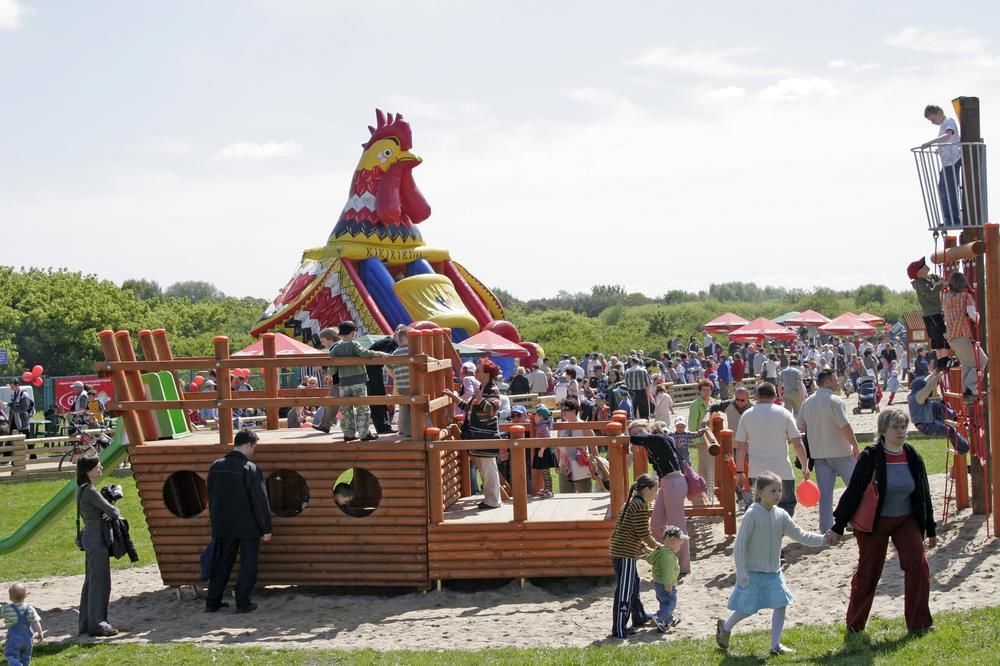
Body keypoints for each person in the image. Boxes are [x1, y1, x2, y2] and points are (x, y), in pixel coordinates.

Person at [828, 409, 936, 635]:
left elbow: (923, 493)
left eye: (903, 427)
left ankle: (920, 624)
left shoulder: (912, 455)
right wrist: (838, 526)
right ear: (883, 431)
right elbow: (854, 491)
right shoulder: (871, 456)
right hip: (874, 522)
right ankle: (855, 626)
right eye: (895, 427)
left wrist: (930, 528)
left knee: (918, 565)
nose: (900, 432)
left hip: (906, 520)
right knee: (868, 572)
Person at [715, 472, 828, 656]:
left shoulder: (781, 515)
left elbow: (800, 534)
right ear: (759, 492)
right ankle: (726, 627)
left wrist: (823, 540)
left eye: (780, 490)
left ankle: (775, 645)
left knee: (781, 603)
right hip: (752, 573)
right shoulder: (752, 515)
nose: (778, 494)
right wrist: (742, 573)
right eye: (773, 490)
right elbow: (740, 546)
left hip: (774, 573)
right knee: (747, 609)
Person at [205, 429, 272, 614]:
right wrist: (266, 528)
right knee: (248, 563)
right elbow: (259, 501)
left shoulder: (216, 466)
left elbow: (210, 496)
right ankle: (243, 602)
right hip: (248, 526)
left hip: (223, 525)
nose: (254, 450)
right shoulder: (250, 469)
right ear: (249, 444)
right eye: (254, 446)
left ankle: (212, 601)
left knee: (222, 562)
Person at [796, 369, 860, 532]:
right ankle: (855, 521)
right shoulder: (835, 401)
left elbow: (801, 426)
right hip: (840, 452)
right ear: (828, 381)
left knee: (825, 495)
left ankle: (826, 528)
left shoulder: (808, 402)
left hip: (819, 454)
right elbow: (844, 426)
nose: (837, 382)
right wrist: (855, 445)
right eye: (835, 379)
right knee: (855, 488)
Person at [734, 383, 810, 516]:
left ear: (756, 396)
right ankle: (779, 532)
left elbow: (740, 447)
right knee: (786, 505)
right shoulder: (784, 413)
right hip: (782, 469)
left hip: (757, 470)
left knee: (760, 507)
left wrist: (739, 471)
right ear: (775, 395)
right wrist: (805, 465)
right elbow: (797, 443)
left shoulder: (746, 415)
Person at [628, 420, 690, 574]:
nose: (637, 435)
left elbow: (635, 440)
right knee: (656, 524)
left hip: (675, 481)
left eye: (639, 431)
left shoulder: (657, 438)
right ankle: (668, 557)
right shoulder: (651, 444)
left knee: (677, 525)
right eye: (633, 433)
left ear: (647, 429)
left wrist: (625, 437)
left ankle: (683, 566)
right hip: (665, 483)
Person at [444, 359, 503, 510]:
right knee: (485, 469)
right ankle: (490, 499)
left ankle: (494, 500)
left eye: (478, 371)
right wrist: (454, 397)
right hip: (478, 435)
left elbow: (491, 410)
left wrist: (480, 398)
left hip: (486, 436)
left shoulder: (491, 390)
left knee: (488, 469)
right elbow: (468, 407)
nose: (475, 373)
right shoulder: (482, 388)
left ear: (486, 374)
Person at [608, 474, 661, 639]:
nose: (656, 494)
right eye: (655, 490)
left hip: (624, 551)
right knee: (624, 591)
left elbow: (630, 530)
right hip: (624, 554)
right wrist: (658, 546)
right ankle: (619, 629)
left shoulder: (634, 503)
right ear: (646, 489)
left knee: (634, 585)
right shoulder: (639, 506)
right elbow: (643, 532)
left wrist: (644, 548)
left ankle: (638, 617)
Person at [76, 457, 120, 636]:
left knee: (91, 581)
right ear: (89, 470)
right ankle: (98, 624)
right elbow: (113, 511)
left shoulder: (81, 489)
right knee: (100, 582)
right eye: (97, 466)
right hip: (97, 538)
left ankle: (86, 623)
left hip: (89, 536)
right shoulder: (91, 491)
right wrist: (113, 507)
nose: (101, 467)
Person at [329, 321, 390, 442]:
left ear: (340, 335)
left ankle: (349, 433)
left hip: (344, 383)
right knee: (362, 407)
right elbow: (364, 354)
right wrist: (378, 353)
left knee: (346, 409)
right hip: (358, 381)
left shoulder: (336, 349)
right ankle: (364, 433)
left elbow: (333, 364)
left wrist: (329, 374)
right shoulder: (355, 345)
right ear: (353, 333)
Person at [941, 271, 988, 403]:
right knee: (982, 361)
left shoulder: (947, 297)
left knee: (967, 364)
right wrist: (978, 318)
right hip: (961, 334)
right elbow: (973, 315)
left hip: (951, 336)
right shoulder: (966, 297)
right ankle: (971, 389)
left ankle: (968, 392)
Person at [907, 369, 969, 454]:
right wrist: (939, 376)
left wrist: (935, 372)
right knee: (950, 430)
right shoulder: (919, 396)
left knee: (935, 405)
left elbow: (925, 381)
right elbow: (928, 387)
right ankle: (964, 448)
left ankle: (954, 416)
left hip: (927, 417)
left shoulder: (914, 392)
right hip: (927, 425)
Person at [920, 104, 963, 227]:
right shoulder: (943, 125)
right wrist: (939, 149)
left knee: (949, 191)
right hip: (947, 163)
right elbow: (948, 139)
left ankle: (954, 220)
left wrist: (930, 143)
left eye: (932, 119)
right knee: (943, 190)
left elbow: (948, 136)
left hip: (953, 161)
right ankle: (949, 219)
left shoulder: (948, 121)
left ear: (939, 113)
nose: (932, 123)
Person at [647, 525, 687, 632]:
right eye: (680, 543)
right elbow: (667, 572)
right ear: (673, 541)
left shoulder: (661, 552)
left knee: (664, 602)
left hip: (658, 583)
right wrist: (668, 585)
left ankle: (667, 620)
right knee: (670, 602)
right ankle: (660, 617)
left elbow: (650, 559)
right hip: (665, 583)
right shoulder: (668, 556)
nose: (681, 545)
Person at [3, 583, 43, 665]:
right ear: (25, 596)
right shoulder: (30, 609)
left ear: (10, 597)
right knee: (26, 657)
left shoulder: (7, 609)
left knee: (11, 655)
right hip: (27, 639)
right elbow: (35, 621)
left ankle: (16, 664)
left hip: (14, 638)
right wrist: (40, 632)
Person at [311, 328, 341, 434]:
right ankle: (325, 425)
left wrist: (323, 366)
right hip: (339, 379)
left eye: (323, 341)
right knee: (332, 403)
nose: (322, 344)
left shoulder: (336, 348)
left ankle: (325, 425)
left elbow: (334, 363)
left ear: (329, 339)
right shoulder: (337, 346)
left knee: (332, 402)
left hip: (340, 380)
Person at [386, 325, 412, 438]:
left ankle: (404, 431)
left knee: (404, 407)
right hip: (413, 385)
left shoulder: (395, 353)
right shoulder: (412, 350)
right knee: (418, 406)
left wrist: (396, 376)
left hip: (401, 385)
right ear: (406, 339)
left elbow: (388, 367)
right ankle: (418, 428)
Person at [530, 406, 556, 498]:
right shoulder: (542, 425)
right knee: (544, 471)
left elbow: (547, 438)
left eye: (536, 416)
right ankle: (546, 489)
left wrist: (542, 449)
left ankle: (549, 490)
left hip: (544, 450)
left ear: (541, 417)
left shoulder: (543, 426)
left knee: (545, 472)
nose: (534, 418)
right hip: (543, 450)